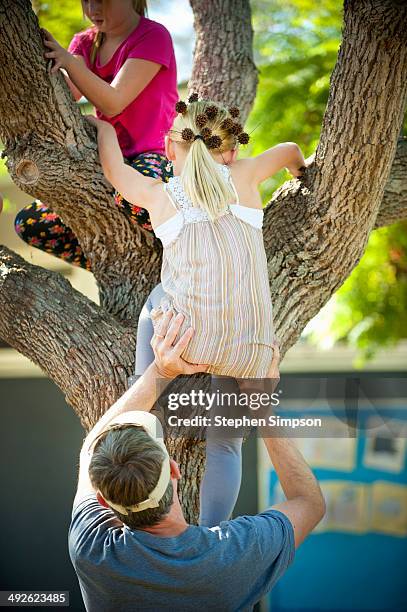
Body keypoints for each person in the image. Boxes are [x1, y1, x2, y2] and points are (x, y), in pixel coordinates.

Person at [88, 95, 310, 527]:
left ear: (170, 148)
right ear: (230, 152)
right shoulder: (244, 174)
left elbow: (115, 170)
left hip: (187, 340)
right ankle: (211, 532)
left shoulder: (158, 193)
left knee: (157, 297)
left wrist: (104, 129)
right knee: (226, 445)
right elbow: (289, 151)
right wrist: (297, 169)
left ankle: (144, 386)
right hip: (250, 349)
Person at [69, 310, 325, 612]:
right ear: (175, 471)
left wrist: (160, 370)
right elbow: (310, 502)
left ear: (103, 500)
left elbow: (91, 451)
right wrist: (260, 406)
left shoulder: (93, 553)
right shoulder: (232, 557)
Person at [14, 0, 178, 269]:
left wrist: (68, 61)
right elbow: (67, 94)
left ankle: (184, 251)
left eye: (102, 0)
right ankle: (109, 263)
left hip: (153, 155)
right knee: (31, 223)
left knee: (135, 197)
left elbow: (113, 101)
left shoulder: (153, 35)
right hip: (104, 156)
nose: (92, 9)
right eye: (86, 0)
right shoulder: (85, 42)